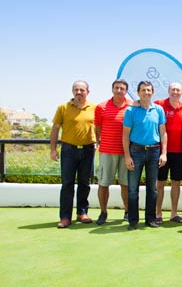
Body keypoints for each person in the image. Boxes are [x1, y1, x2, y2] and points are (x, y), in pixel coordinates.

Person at [50, 80, 96, 228]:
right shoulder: (63, 108)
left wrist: (98, 142)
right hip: (68, 150)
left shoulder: (94, 108)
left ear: (87, 92)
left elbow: (99, 127)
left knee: (84, 183)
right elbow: (55, 129)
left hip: (88, 150)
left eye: (82, 90)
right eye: (76, 90)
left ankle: (82, 213)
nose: (79, 92)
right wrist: (52, 149)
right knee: (67, 184)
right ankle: (65, 217)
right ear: (72, 92)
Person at [122, 81, 168, 230]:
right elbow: (125, 135)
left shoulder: (159, 110)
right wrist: (127, 156)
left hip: (154, 152)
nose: (146, 93)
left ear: (152, 92)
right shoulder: (131, 111)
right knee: (133, 188)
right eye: (143, 90)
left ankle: (150, 219)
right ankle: (133, 221)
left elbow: (163, 132)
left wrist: (164, 153)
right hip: (136, 151)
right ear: (138, 92)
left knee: (152, 189)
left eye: (148, 90)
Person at [94, 79, 131, 225]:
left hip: (126, 152)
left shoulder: (132, 106)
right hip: (107, 151)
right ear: (112, 89)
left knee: (126, 184)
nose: (119, 90)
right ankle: (103, 212)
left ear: (126, 91)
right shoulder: (101, 107)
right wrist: (98, 141)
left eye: (122, 88)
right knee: (103, 183)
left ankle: (127, 212)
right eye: (117, 88)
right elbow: (97, 128)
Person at [154, 82, 182, 224]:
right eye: (173, 89)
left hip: (179, 152)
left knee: (176, 183)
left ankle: (174, 213)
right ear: (168, 91)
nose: (175, 92)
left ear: (181, 93)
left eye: (178, 90)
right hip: (162, 151)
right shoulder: (159, 104)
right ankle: (158, 213)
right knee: (160, 183)